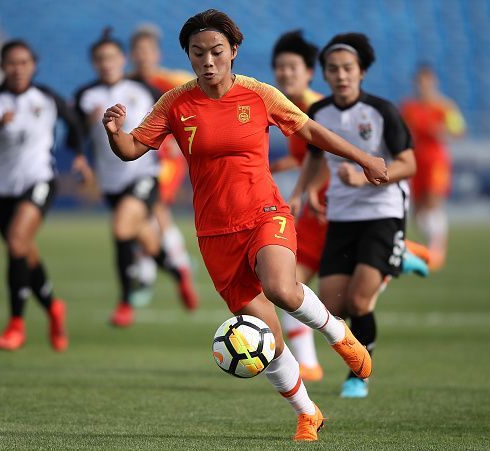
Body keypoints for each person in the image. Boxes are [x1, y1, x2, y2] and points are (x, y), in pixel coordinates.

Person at [103, 10, 389, 441]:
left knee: (280, 287)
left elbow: (311, 130)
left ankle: (339, 335)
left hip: (264, 214)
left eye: (217, 51)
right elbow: (130, 149)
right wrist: (113, 131)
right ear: (189, 56)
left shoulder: (258, 95)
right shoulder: (175, 103)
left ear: (233, 51)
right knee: (267, 339)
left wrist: (364, 159)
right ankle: (307, 412)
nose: (208, 61)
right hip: (215, 233)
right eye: (198, 53)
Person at [290, 33, 416, 398]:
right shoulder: (319, 113)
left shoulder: (382, 111)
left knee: (360, 302)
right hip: (341, 217)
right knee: (331, 307)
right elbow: (314, 158)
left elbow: (409, 163)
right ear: (324, 76)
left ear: (361, 72)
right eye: (333, 69)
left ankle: (358, 375)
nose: (341, 75)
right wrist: (303, 192)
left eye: (348, 68)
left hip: (383, 212)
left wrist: (364, 178)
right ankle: (400, 258)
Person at [0, 40, 93, 352]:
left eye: (23, 63)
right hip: (0, 189)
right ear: (1, 66)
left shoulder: (45, 97)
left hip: (39, 180)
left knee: (17, 243)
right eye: (11, 63)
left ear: (33, 65)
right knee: (25, 253)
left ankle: (15, 325)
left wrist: (77, 155)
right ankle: (54, 308)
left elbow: (74, 123)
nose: (17, 69)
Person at [74, 29, 197, 328]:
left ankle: (125, 302)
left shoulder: (146, 90)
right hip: (110, 181)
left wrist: (179, 143)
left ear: (122, 59)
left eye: (112, 57)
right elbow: (74, 135)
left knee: (121, 229)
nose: (106, 63)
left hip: (144, 174)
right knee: (147, 242)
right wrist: (80, 157)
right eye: (100, 59)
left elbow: (178, 116)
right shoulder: (85, 96)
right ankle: (177, 271)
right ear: (94, 62)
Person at [269, 30, 326, 382]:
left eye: (293, 67)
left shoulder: (319, 108)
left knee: (351, 297)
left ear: (309, 72)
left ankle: (402, 252)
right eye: (279, 67)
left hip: (340, 208)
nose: (285, 74)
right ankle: (309, 364)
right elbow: (310, 156)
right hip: (314, 210)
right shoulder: (285, 108)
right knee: (287, 284)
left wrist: (309, 190)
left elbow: (333, 156)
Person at [129, 25, 195, 302]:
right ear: (132, 54)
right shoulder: (126, 84)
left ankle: (147, 275)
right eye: (138, 51)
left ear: (156, 53)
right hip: (136, 161)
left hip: (166, 161)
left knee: (150, 210)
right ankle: (177, 264)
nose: (143, 56)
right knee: (145, 216)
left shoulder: (173, 82)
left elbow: (199, 104)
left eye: (148, 50)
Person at [401, 65, 465, 271]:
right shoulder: (408, 107)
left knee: (432, 201)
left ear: (433, 82)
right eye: (420, 81)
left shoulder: (445, 106)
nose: (423, 85)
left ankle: (437, 250)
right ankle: (430, 247)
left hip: (436, 161)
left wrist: (442, 131)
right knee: (418, 210)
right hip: (415, 161)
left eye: (427, 81)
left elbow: (458, 131)